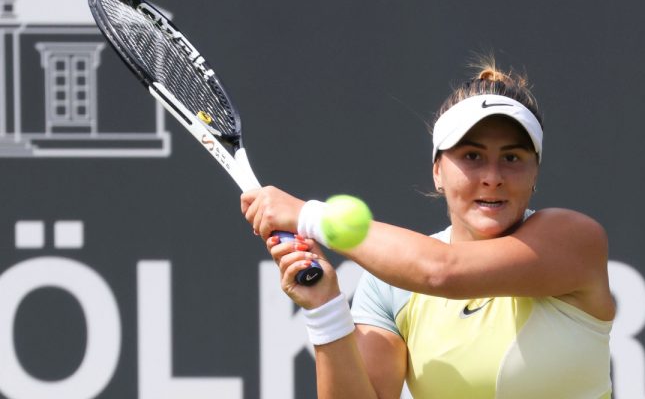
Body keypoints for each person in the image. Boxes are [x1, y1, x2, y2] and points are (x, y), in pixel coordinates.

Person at [241, 58, 615, 398]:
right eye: (472, 156)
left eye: (512, 158)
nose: (492, 176)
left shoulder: (575, 240)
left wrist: (308, 215)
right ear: (437, 171)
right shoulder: (389, 287)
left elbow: (442, 271)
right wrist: (324, 307)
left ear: (535, 174)